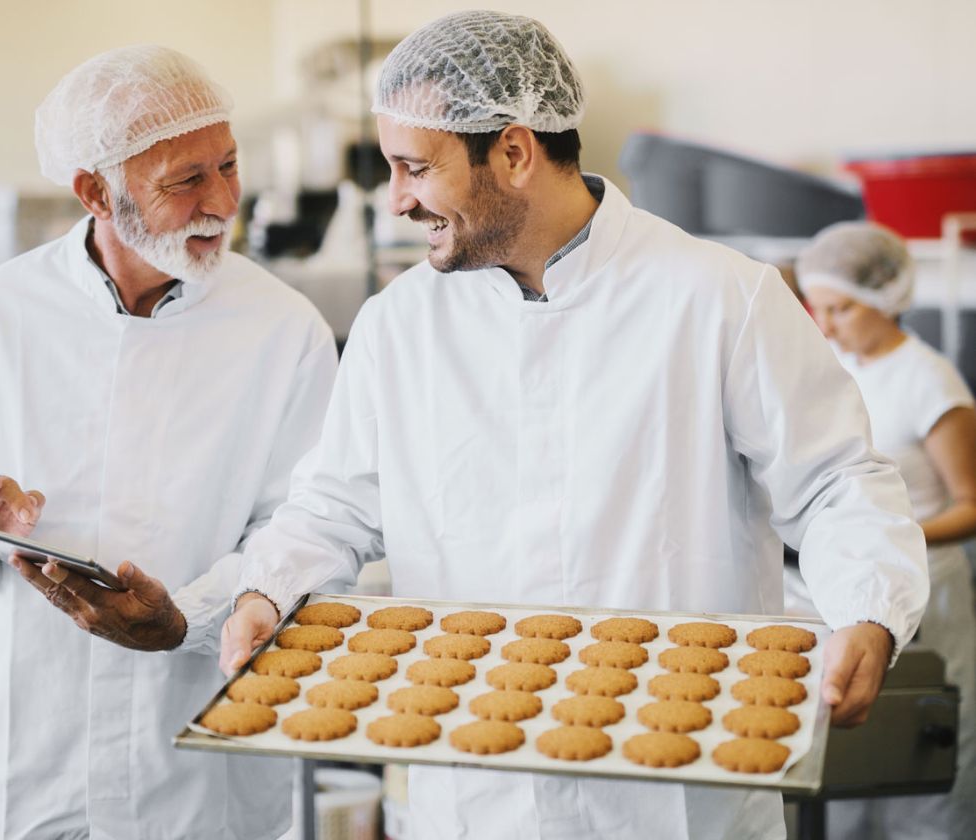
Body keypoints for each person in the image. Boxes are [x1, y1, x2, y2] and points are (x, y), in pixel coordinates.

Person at [212, 11, 929, 840]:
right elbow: (334, 505)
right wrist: (270, 591)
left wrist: (871, 612)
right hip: (475, 793)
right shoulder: (398, 325)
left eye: (415, 168)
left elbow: (836, 480)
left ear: (514, 153)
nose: (399, 199)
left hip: (680, 789)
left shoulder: (718, 299)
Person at [0, 45, 337, 840]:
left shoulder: (283, 328)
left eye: (229, 166)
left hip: (195, 765)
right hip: (25, 759)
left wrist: (185, 619)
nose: (223, 201)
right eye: (186, 180)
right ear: (95, 189)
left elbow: (303, 523)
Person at [790, 221, 976, 839]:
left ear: (886, 300)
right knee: (850, 748)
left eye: (841, 308)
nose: (827, 324)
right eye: (820, 308)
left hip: (930, 593)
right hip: (848, 589)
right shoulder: (832, 369)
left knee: (920, 753)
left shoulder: (931, 381)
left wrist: (891, 539)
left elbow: (972, 502)